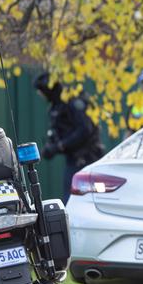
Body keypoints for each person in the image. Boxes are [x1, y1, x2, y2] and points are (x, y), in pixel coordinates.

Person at [33, 72, 103, 204]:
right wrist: (52, 146)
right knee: (71, 198)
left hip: (87, 159)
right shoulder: (56, 106)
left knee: (80, 199)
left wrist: (59, 146)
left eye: (41, 91)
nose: (40, 94)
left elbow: (84, 129)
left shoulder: (73, 102)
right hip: (72, 159)